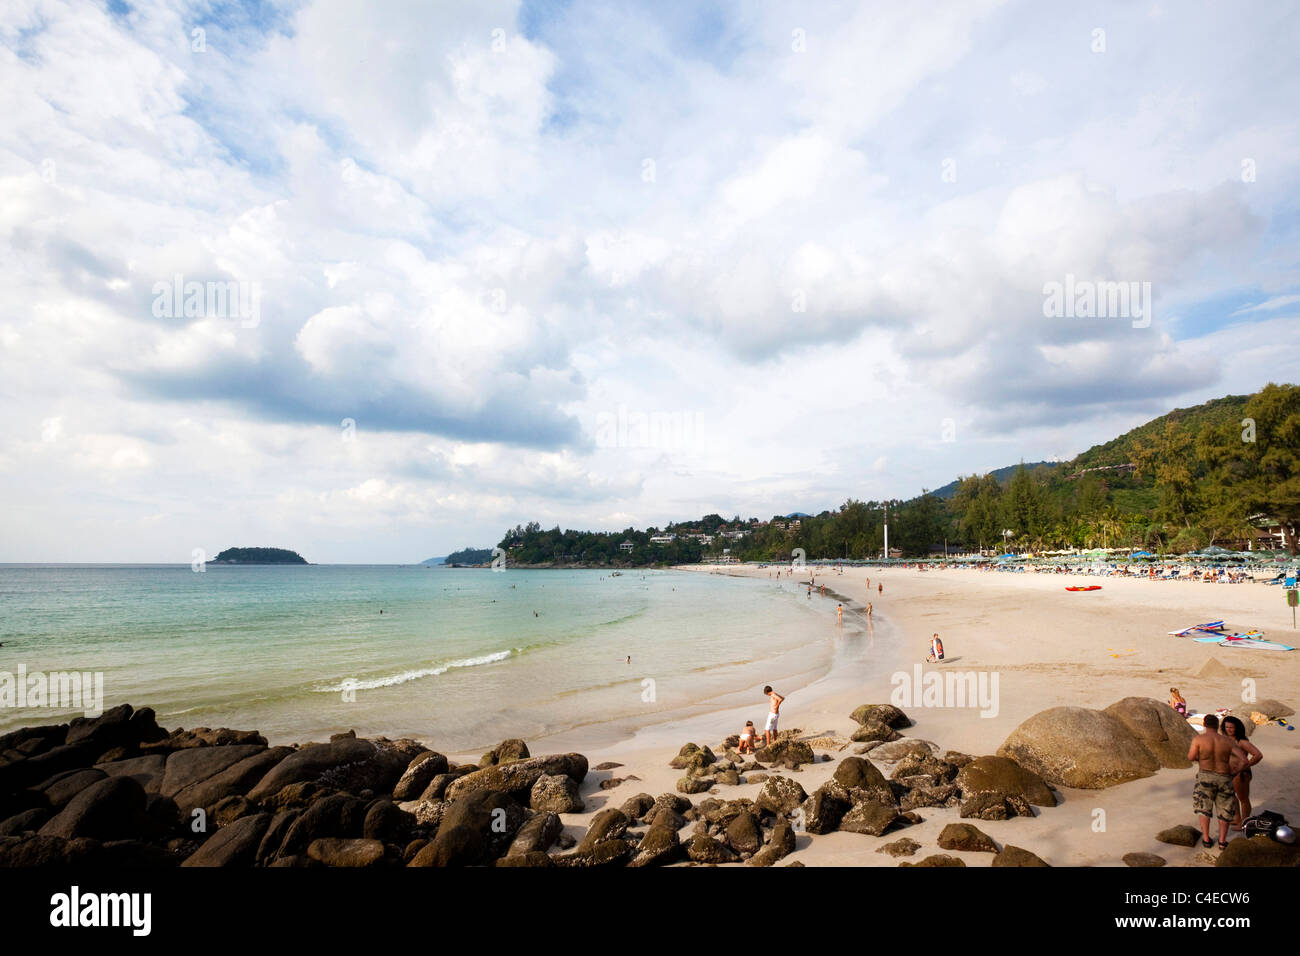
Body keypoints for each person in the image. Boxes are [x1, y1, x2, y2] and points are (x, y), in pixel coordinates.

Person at [1188, 714, 1246, 850]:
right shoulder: (1227, 741)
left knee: (1204, 809)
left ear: (1204, 724)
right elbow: (1244, 760)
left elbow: (1191, 757)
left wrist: (1201, 758)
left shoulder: (1199, 739)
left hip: (1205, 776)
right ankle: (1222, 842)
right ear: (1218, 725)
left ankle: (1207, 839)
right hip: (1224, 776)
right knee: (1224, 810)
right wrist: (1235, 772)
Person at [1221, 715, 1262, 829]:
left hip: (1241, 774)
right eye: (1227, 727)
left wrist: (1245, 766)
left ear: (1237, 728)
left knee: (1243, 799)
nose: (1229, 729)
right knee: (1231, 796)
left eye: (1231, 727)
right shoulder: (1226, 740)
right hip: (1230, 773)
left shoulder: (1242, 742)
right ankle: (1237, 818)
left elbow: (1258, 755)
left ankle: (1244, 823)